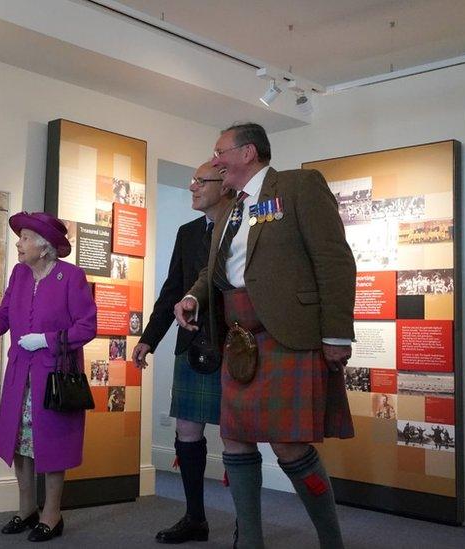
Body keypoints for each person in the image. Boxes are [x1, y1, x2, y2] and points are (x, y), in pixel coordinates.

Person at [175, 123, 356, 548]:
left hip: (287, 337)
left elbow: (333, 261)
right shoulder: (231, 206)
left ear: (248, 152)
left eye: (220, 151)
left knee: (289, 447)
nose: (215, 159)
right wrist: (193, 297)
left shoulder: (297, 186)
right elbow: (215, 269)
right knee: (234, 439)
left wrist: (337, 335)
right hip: (239, 341)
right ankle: (250, 543)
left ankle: (332, 540)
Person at [0, 211, 97, 543]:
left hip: (53, 376)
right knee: (20, 442)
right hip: (21, 373)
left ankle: (52, 513)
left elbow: (87, 326)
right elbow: (5, 312)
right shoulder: (20, 274)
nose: (18, 244)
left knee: (50, 446)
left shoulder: (71, 276)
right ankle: (26, 509)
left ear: (45, 246)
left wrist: (47, 340)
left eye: (24, 238)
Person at [131, 162, 231, 544]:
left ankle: (248, 524)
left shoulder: (245, 227)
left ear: (224, 186)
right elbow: (173, 290)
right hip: (192, 344)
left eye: (200, 181)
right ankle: (195, 518)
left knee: (240, 435)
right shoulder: (188, 233)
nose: (192, 187)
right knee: (187, 430)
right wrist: (149, 339)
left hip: (237, 344)